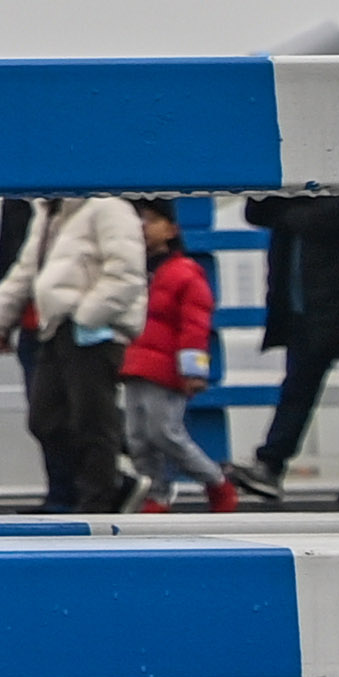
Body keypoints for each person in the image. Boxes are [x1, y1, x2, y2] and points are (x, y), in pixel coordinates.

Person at [0, 189, 145, 513]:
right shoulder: (49, 211)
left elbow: (126, 271)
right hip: (56, 327)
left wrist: (86, 316)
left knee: (92, 419)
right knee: (46, 418)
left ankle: (98, 499)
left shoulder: (108, 207)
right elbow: (27, 268)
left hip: (93, 331)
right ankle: (100, 487)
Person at [231, 192, 339, 508]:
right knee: (300, 389)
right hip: (303, 306)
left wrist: (287, 204)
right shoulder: (297, 198)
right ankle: (272, 464)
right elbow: (256, 210)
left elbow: (323, 219)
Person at [117, 206, 233, 515]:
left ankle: (216, 481)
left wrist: (193, 369)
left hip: (166, 368)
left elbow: (195, 324)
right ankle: (156, 495)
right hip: (135, 364)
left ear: (171, 230)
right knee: (137, 437)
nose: (143, 227)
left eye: (152, 221)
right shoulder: (133, 271)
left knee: (165, 432)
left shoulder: (183, 271)